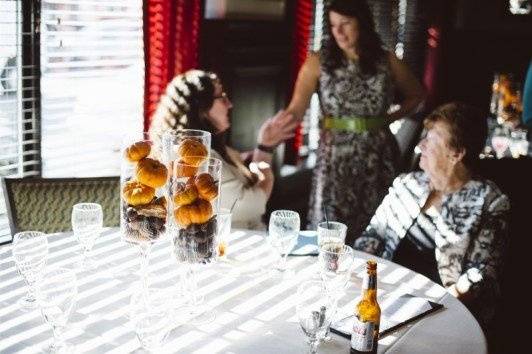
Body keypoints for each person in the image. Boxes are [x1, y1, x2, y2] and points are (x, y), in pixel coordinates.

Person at [354, 102, 510, 330]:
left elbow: (481, 276)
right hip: (386, 301)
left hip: (446, 313)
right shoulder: (406, 184)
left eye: (431, 139)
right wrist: (352, 271)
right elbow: (372, 237)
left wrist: (439, 307)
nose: (420, 146)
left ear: (456, 153)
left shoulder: (490, 201)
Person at [285, 0, 425, 244]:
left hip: (377, 155)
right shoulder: (317, 62)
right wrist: (272, 133)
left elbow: (417, 95)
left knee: (374, 228)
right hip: (335, 160)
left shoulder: (386, 60)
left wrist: (388, 119)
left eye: (346, 24)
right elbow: (296, 110)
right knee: (330, 231)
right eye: (333, 25)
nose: (338, 32)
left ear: (362, 23)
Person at [149, 70, 296, 229]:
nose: (229, 104)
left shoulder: (198, 151)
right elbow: (248, 205)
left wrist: (260, 149)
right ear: (201, 107)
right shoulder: (198, 161)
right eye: (221, 97)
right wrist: (265, 171)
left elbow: (230, 174)